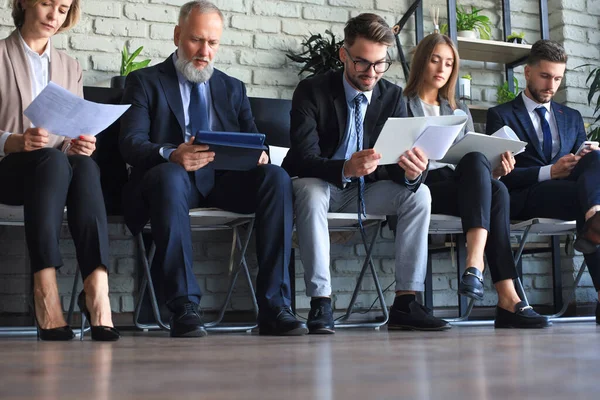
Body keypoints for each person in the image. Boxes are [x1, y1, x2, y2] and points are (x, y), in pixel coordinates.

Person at [119, 0, 306, 337]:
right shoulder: (144, 81)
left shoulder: (232, 87)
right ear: (177, 36)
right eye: (196, 40)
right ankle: (184, 307)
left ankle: (276, 306)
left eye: (213, 43)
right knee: (170, 175)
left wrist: (260, 154)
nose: (204, 51)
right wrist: (172, 152)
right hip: (169, 183)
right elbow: (131, 142)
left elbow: (254, 139)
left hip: (223, 182)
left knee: (276, 178)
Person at [282, 13, 450, 334]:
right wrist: (345, 167)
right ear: (344, 54)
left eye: (380, 64)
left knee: (421, 194)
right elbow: (302, 159)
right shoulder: (312, 90)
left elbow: (395, 166)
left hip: (368, 192)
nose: (371, 73)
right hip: (325, 186)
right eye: (362, 63)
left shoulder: (391, 96)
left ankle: (405, 302)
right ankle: (321, 301)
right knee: (309, 189)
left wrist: (413, 172)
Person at [404, 33, 548, 328]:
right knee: (487, 179)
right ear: (421, 62)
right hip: (423, 186)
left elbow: (472, 166)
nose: (442, 69)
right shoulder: (401, 103)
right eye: (435, 60)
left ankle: (496, 287)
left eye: (449, 63)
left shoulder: (459, 110)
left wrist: (495, 170)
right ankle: (488, 276)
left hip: (463, 187)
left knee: (494, 184)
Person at [0, 0, 119, 341]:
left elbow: (68, 133)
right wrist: (13, 141)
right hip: (7, 171)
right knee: (52, 162)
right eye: (47, 4)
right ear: (24, 3)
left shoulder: (70, 66)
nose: (54, 15)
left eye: (63, 8)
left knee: (83, 165)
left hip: (52, 173)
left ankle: (97, 291)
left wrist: (76, 144)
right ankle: (45, 291)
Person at [487, 40, 600, 324]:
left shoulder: (571, 117)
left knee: (594, 158)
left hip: (567, 195)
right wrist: (550, 171)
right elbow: (504, 175)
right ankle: (594, 223)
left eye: (558, 78)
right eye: (545, 76)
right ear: (527, 73)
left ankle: (594, 218)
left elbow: (581, 168)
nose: (552, 85)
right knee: (587, 200)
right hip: (526, 195)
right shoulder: (501, 115)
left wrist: (583, 158)